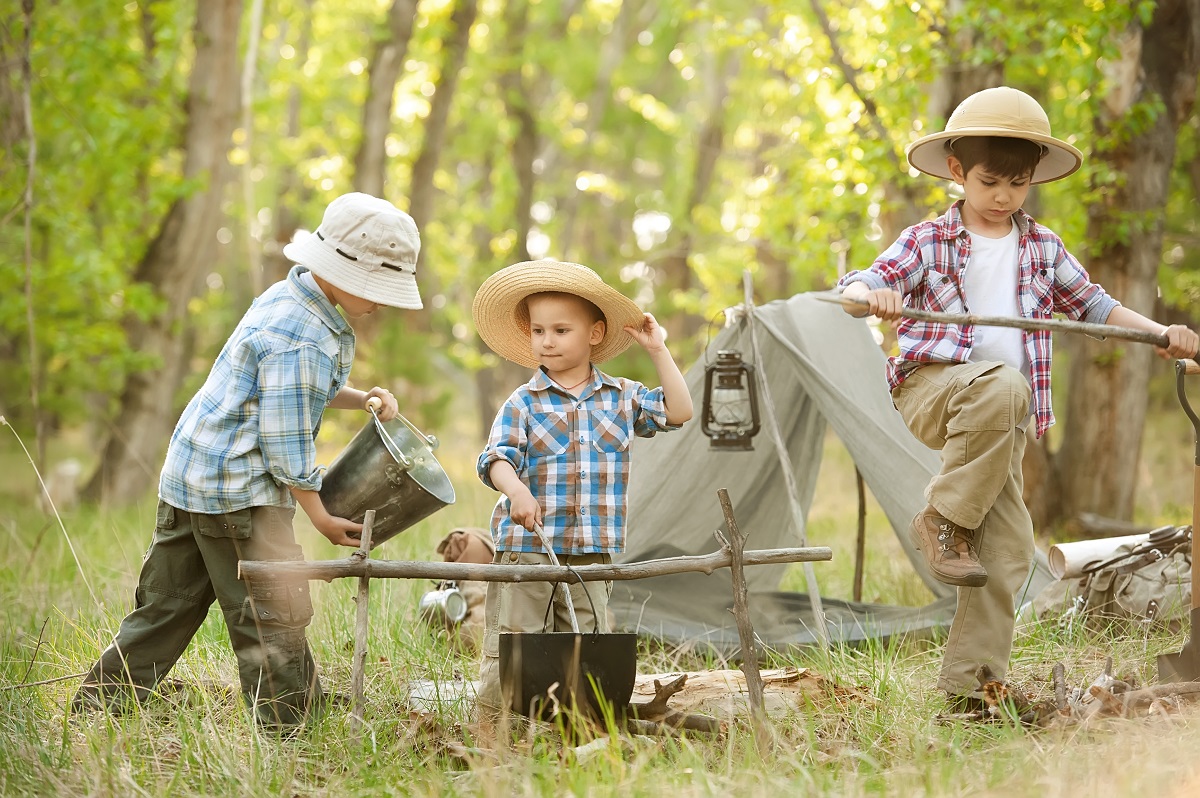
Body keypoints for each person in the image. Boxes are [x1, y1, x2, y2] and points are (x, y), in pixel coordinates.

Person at [837, 86, 1200, 708]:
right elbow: (860, 283)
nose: (1003, 196)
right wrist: (872, 294)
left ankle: (970, 694)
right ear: (957, 172)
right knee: (1003, 384)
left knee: (1006, 554)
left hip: (1000, 420)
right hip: (935, 391)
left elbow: (1095, 304)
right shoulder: (928, 240)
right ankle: (942, 518)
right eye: (989, 182)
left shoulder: (1042, 247)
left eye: (1018, 184)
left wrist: (1163, 334)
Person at [72, 192, 424, 728]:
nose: (380, 303)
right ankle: (293, 727)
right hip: (242, 493)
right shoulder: (303, 337)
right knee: (270, 612)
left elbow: (290, 388)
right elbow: (285, 441)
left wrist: (359, 397)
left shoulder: (290, 300)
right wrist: (321, 515)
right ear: (343, 273)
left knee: (167, 604)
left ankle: (100, 707)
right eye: (377, 290)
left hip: (193, 478)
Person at [470, 258, 693, 724]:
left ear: (594, 334)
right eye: (538, 331)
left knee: (585, 646)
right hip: (528, 548)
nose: (546, 340)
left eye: (560, 330)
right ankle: (495, 734)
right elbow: (495, 459)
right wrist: (516, 492)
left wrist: (658, 350)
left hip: (593, 552)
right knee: (515, 641)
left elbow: (679, 411)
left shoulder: (623, 397)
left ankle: (577, 730)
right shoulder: (524, 402)